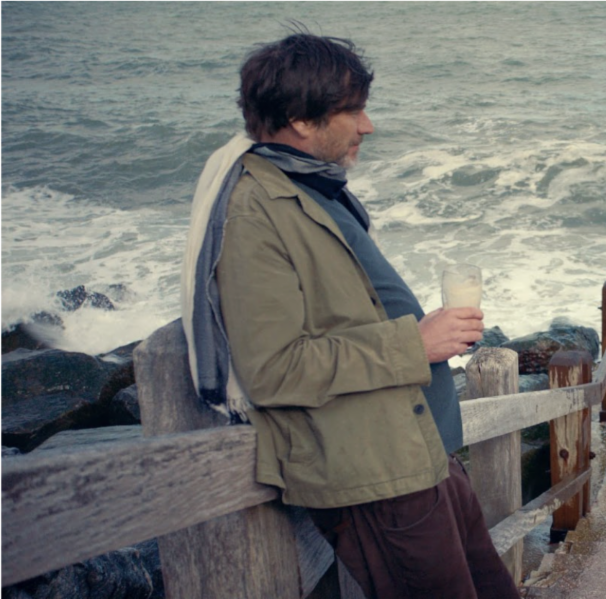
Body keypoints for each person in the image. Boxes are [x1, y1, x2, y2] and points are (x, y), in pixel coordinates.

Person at [181, 31, 520, 599]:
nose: (368, 126)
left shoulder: (307, 184)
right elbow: (273, 370)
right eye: (353, 111)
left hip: (421, 451)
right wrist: (416, 345)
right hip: (379, 478)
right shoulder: (253, 211)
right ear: (300, 120)